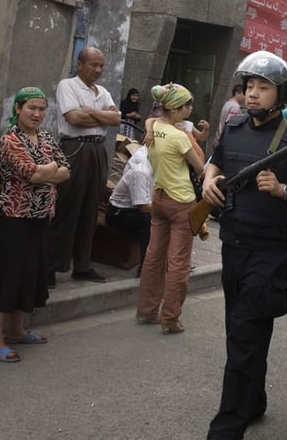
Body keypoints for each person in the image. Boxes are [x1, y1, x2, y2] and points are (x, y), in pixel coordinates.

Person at [203, 51, 287, 439]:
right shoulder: (234, 126)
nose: (253, 94)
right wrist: (208, 180)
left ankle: (227, 427)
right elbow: (216, 161)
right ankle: (253, 400)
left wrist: (281, 189)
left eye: (263, 88)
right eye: (249, 87)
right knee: (240, 333)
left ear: (282, 94)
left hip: (270, 251)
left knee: (245, 334)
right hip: (233, 244)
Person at [0, 87, 70, 363]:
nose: (37, 114)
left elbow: (66, 171)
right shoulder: (10, 139)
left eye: (42, 109)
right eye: (31, 107)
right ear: (18, 108)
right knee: (5, 276)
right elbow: (33, 175)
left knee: (27, 274)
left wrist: (47, 170)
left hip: (40, 217)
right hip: (12, 217)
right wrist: (49, 169)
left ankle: (16, 330)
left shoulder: (46, 137)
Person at [135, 84, 207, 333]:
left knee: (154, 256)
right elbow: (200, 169)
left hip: (159, 197)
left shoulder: (154, 128)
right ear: (175, 109)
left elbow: (150, 121)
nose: (190, 110)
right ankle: (170, 317)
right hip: (182, 202)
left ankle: (146, 311)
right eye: (187, 106)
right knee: (179, 262)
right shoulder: (179, 137)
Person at [46, 47, 120, 287]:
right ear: (79, 64)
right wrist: (101, 115)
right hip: (75, 148)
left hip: (98, 148)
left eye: (101, 66)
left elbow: (116, 119)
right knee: (67, 205)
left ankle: (82, 265)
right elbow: (74, 119)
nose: (98, 70)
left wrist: (90, 111)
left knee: (91, 208)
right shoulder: (68, 85)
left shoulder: (103, 91)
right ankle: (50, 266)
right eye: (93, 65)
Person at [106, 145, 153, 277]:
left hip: (136, 210)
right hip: (119, 212)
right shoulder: (142, 171)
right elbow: (143, 206)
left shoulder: (160, 168)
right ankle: (146, 269)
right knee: (149, 222)